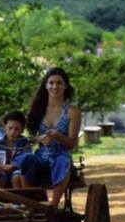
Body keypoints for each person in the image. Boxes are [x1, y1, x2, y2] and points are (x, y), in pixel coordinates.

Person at [14, 67, 81, 209]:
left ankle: (53, 206)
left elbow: (72, 144)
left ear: (65, 86)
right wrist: (40, 138)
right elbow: (29, 138)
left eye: (59, 83)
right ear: (45, 85)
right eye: (51, 83)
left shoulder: (72, 112)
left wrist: (58, 136)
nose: (54, 87)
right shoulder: (38, 109)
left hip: (61, 156)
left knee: (62, 161)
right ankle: (30, 203)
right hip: (40, 157)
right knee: (26, 158)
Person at [0, 111, 31, 188]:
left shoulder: (24, 142)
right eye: (10, 128)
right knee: (1, 176)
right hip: (1, 169)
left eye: (17, 129)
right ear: (5, 127)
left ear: (22, 130)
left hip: (16, 169)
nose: (13, 132)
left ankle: (18, 199)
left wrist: (12, 166)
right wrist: (1, 166)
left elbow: (27, 159)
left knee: (16, 177)